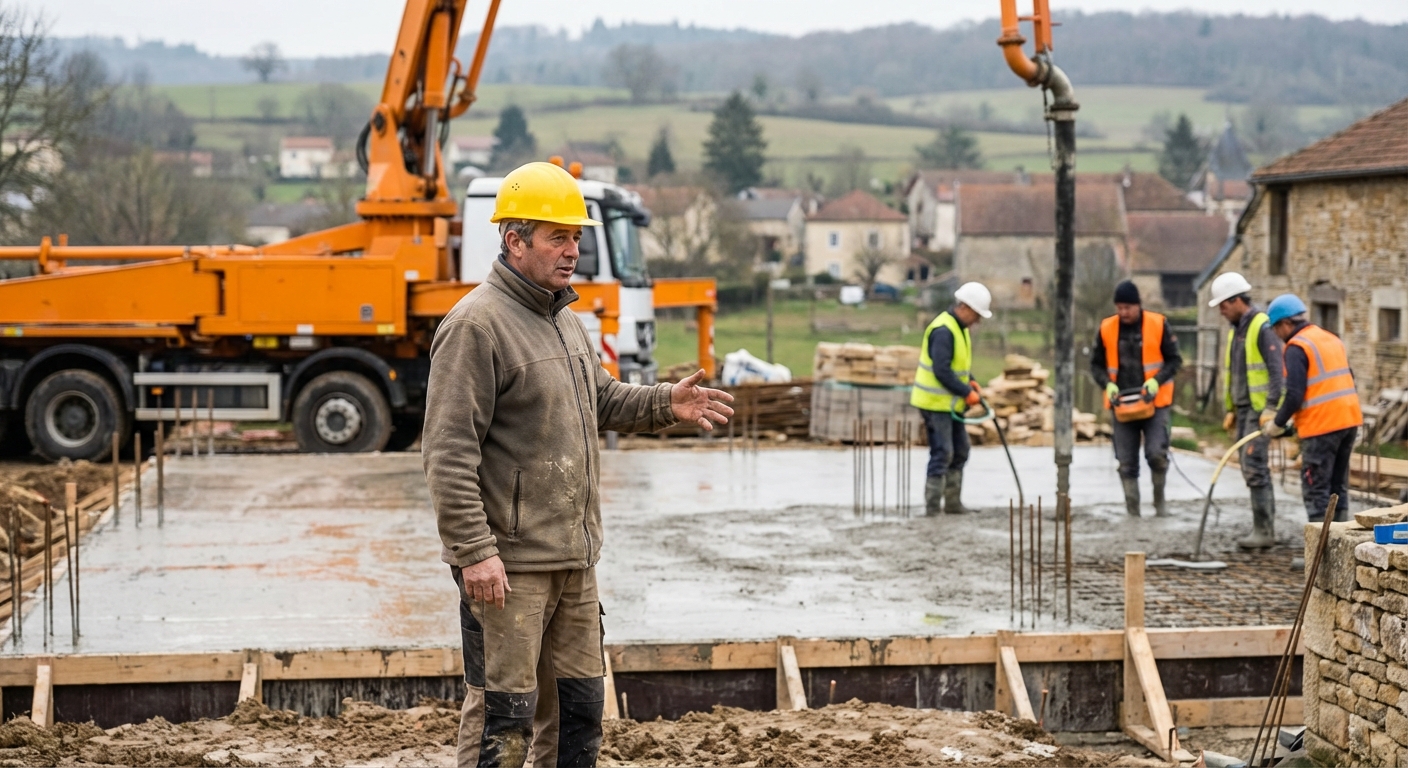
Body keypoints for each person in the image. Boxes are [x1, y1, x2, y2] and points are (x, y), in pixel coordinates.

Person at [422, 161, 735, 768]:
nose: (573, 252)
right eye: (557, 238)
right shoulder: (475, 326)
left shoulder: (564, 319)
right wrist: (474, 551)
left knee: (577, 716)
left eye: (577, 238)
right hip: (509, 566)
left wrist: (666, 403)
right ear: (515, 241)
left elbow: (603, 399)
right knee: (502, 721)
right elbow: (447, 452)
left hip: (574, 559)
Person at [1263, 294, 1362, 523]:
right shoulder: (1330, 338)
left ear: (1286, 324)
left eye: (1276, 329)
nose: (1277, 336)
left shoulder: (1297, 347)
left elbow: (1295, 395)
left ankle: (1318, 555)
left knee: (1316, 489)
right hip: (1349, 420)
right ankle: (1339, 551)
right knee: (1338, 487)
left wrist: (1276, 424)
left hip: (1321, 427)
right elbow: (1348, 379)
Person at [1090, 280, 1182, 517]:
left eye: (1128, 308)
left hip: (1154, 401)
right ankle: (1133, 511)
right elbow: (1096, 365)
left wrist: (1156, 381)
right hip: (1121, 404)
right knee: (1127, 462)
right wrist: (1107, 384)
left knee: (1156, 454)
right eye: (1119, 307)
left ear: (1138, 305)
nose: (1123, 312)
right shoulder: (1106, 328)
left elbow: (1174, 360)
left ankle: (1159, 505)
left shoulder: (1158, 324)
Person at [1208, 272, 1284, 548]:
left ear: (1237, 299)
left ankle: (1265, 530)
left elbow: (1277, 371)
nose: (1222, 311)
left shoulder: (1261, 327)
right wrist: (1231, 408)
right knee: (1249, 466)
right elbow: (1235, 373)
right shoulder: (1237, 330)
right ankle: (1262, 528)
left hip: (1258, 410)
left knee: (1254, 466)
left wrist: (1272, 408)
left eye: (1224, 305)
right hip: (1244, 409)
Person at [911, 282, 992, 516]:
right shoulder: (944, 330)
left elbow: (958, 367)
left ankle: (953, 503)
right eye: (976, 315)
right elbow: (942, 371)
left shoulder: (959, 329)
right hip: (934, 404)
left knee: (960, 450)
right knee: (942, 452)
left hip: (950, 404)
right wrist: (967, 393)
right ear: (965, 308)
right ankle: (933, 507)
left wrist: (971, 382)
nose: (977, 321)